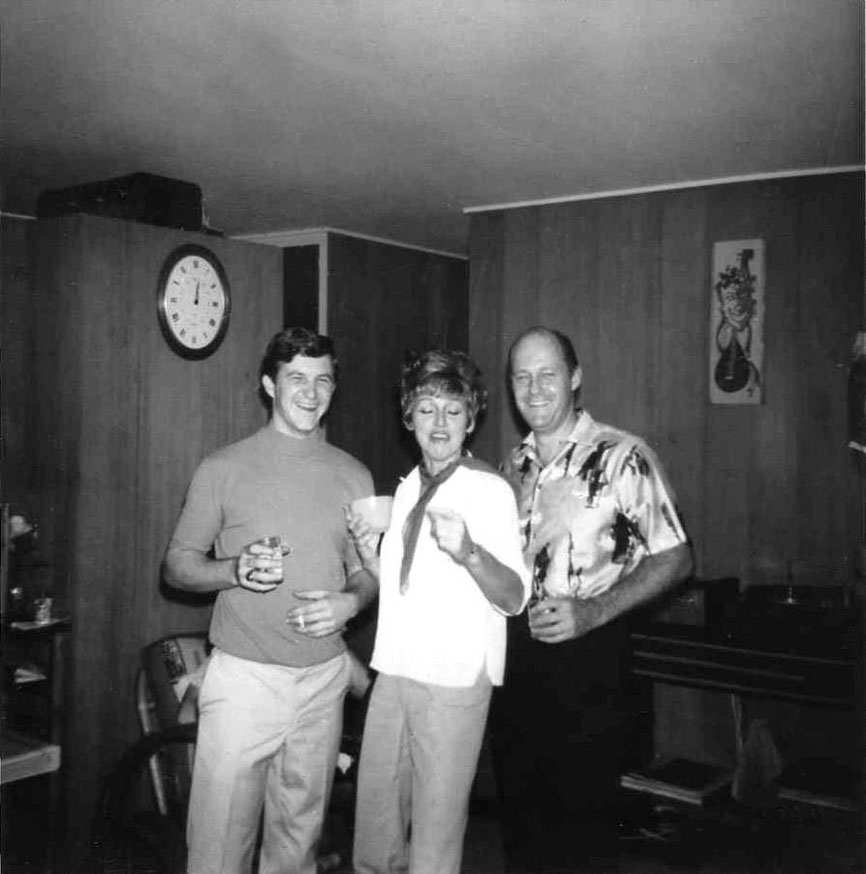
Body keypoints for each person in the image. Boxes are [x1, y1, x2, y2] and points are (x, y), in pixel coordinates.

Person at [162, 327, 377, 874]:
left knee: (297, 846)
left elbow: (368, 573)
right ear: (268, 384)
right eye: (296, 378)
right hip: (243, 681)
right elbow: (177, 566)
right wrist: (234, 569)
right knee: (217, 850)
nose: (311, 392)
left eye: (323, 379)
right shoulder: (223, 468)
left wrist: (350, 603)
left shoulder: (354, 475)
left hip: (323, 680)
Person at [491, 326, 694, 873]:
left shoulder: (624, 457)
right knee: (522, 826)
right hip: (518, 664)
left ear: (575, 379)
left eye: (547, 375)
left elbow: (676, 557)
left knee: (584, 839)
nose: (534, 390)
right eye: (521, 377)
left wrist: (596, 611)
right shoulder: (512, 468)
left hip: (593, 665)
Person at [348, 349, 530, 874]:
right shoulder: (407, 489)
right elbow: (402, 589)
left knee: (434, 838)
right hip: (396, 673)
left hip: (452, 680)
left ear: (471, 419)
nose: (440, 423)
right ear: (409, 419)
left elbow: (514, 597)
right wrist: (368, 553)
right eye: (426, 409)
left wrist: (471, 551)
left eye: (453, 410)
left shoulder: (489, 489)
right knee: (375, 828)